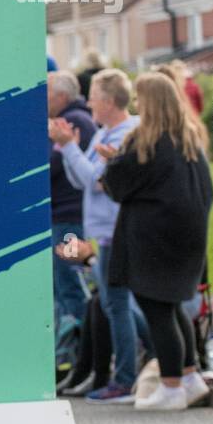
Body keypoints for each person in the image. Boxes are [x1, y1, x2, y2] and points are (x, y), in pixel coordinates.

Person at [100, 72, 213, 411]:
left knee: (156, 308)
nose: (136, 104)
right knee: (173, 305)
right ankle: (190, 376)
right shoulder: (189, 142)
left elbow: (117, 184)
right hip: (187, 238)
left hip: (153, 239)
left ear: (149, 102)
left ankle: (171, 386)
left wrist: (111, 162)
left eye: (139, 98)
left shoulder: (147, 142)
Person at [49, 69, 153, 403]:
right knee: (115, 302)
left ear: (108, 101)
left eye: (94, 95)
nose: (90, 101)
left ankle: (127, 376)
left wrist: (68, 148)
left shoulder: (127, 131)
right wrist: (70, 150)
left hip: (116, 232)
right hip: (105, 232)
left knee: (116, 303)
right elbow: (80, 180)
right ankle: (156, 356)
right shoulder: (102, 133)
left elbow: (96, 179)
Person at [47, 71, 96, 334]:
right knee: (64, 283)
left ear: (62, 96)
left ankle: (85, 347)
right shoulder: (71, 120)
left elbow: (52, 166)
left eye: (47, 93)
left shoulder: (74, 122)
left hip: (69, 217)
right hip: (65, 215)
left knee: (70, 284)